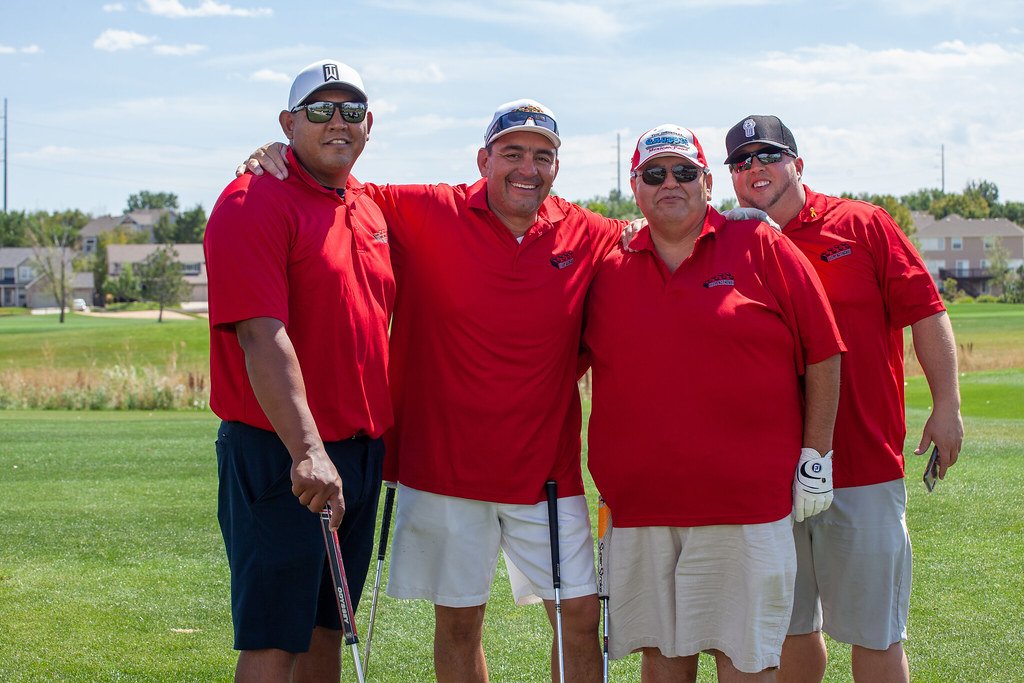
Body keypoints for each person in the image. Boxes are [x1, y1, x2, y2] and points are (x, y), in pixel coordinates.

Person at [240, 100, 626, 682]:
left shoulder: (589, 232)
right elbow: (332, 180)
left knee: (576, 615)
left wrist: (739, 223)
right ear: (483, 159)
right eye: (512, 153)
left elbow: (656, 232)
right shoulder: (420, 208)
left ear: (557, 167)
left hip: (547, 473)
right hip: (444, 469)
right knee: (460, 623)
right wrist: (278, 157)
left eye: (542, 156)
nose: (528, 167)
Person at [582, 124, 844, 682]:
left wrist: (816, 455)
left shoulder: (760, 244)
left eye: (683, 172)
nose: (669, 183)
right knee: (662, 659)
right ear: (636, 187)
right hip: (640, 509)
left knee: (746, 662)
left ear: (707, 182)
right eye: (655, 174)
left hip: (744, 509)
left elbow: (824, 351)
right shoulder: (609, 267)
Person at [723, 114, 964, 683]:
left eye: (767, 156)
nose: (755, 169)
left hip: (864, 463)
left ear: (797, 164)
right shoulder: (730, 240)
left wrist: (947, 404)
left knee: (874, 632)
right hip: (767, 475)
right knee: (789, 630)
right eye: (741, 162)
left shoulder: (863, 224)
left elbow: (927, 312)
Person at [204, 59, 394, 682]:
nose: (337, 122)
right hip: (284, 451)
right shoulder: (252, 199)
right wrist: (308, 452)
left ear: (369, 124)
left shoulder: (368, 204)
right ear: (289, 123)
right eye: (319, 110)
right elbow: (261, 335)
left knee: (326, 625)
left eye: (350, 110)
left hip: (359, 449)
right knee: (272, 636)